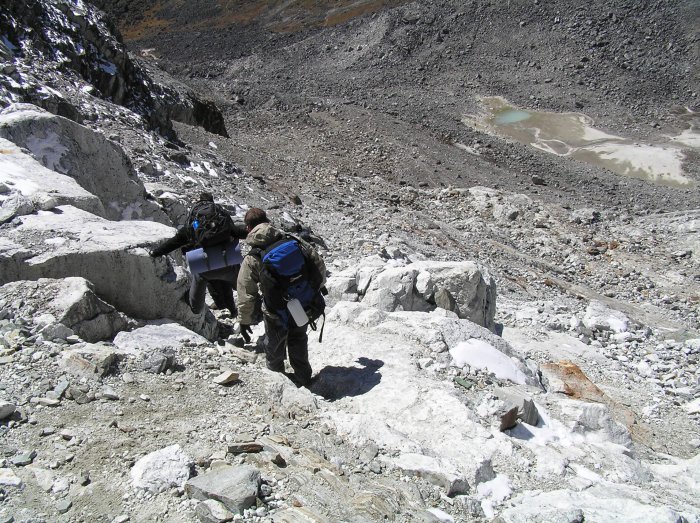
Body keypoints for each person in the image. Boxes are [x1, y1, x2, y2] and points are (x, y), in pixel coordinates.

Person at [237, 208, 326, 387]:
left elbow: (246, 290)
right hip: (302, 301)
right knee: (298, 338)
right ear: (268, 221)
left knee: (274, 343)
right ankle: (304, 378)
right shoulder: (292, 240)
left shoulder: (253, 256)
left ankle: (277, 380)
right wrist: (315, 289)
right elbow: (318, 263)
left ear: (248, 229)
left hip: (275, 308)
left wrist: (244, 319)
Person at [150, 192, 247, 317]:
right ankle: (239, 310)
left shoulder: (194, 222)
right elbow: (237, 232)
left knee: (205, 286)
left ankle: (196, 305)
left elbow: (175, 242)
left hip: (205, 267)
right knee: (233, 282)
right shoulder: (220, 218)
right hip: (228, 263)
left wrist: (155, 252)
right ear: (212, 202)